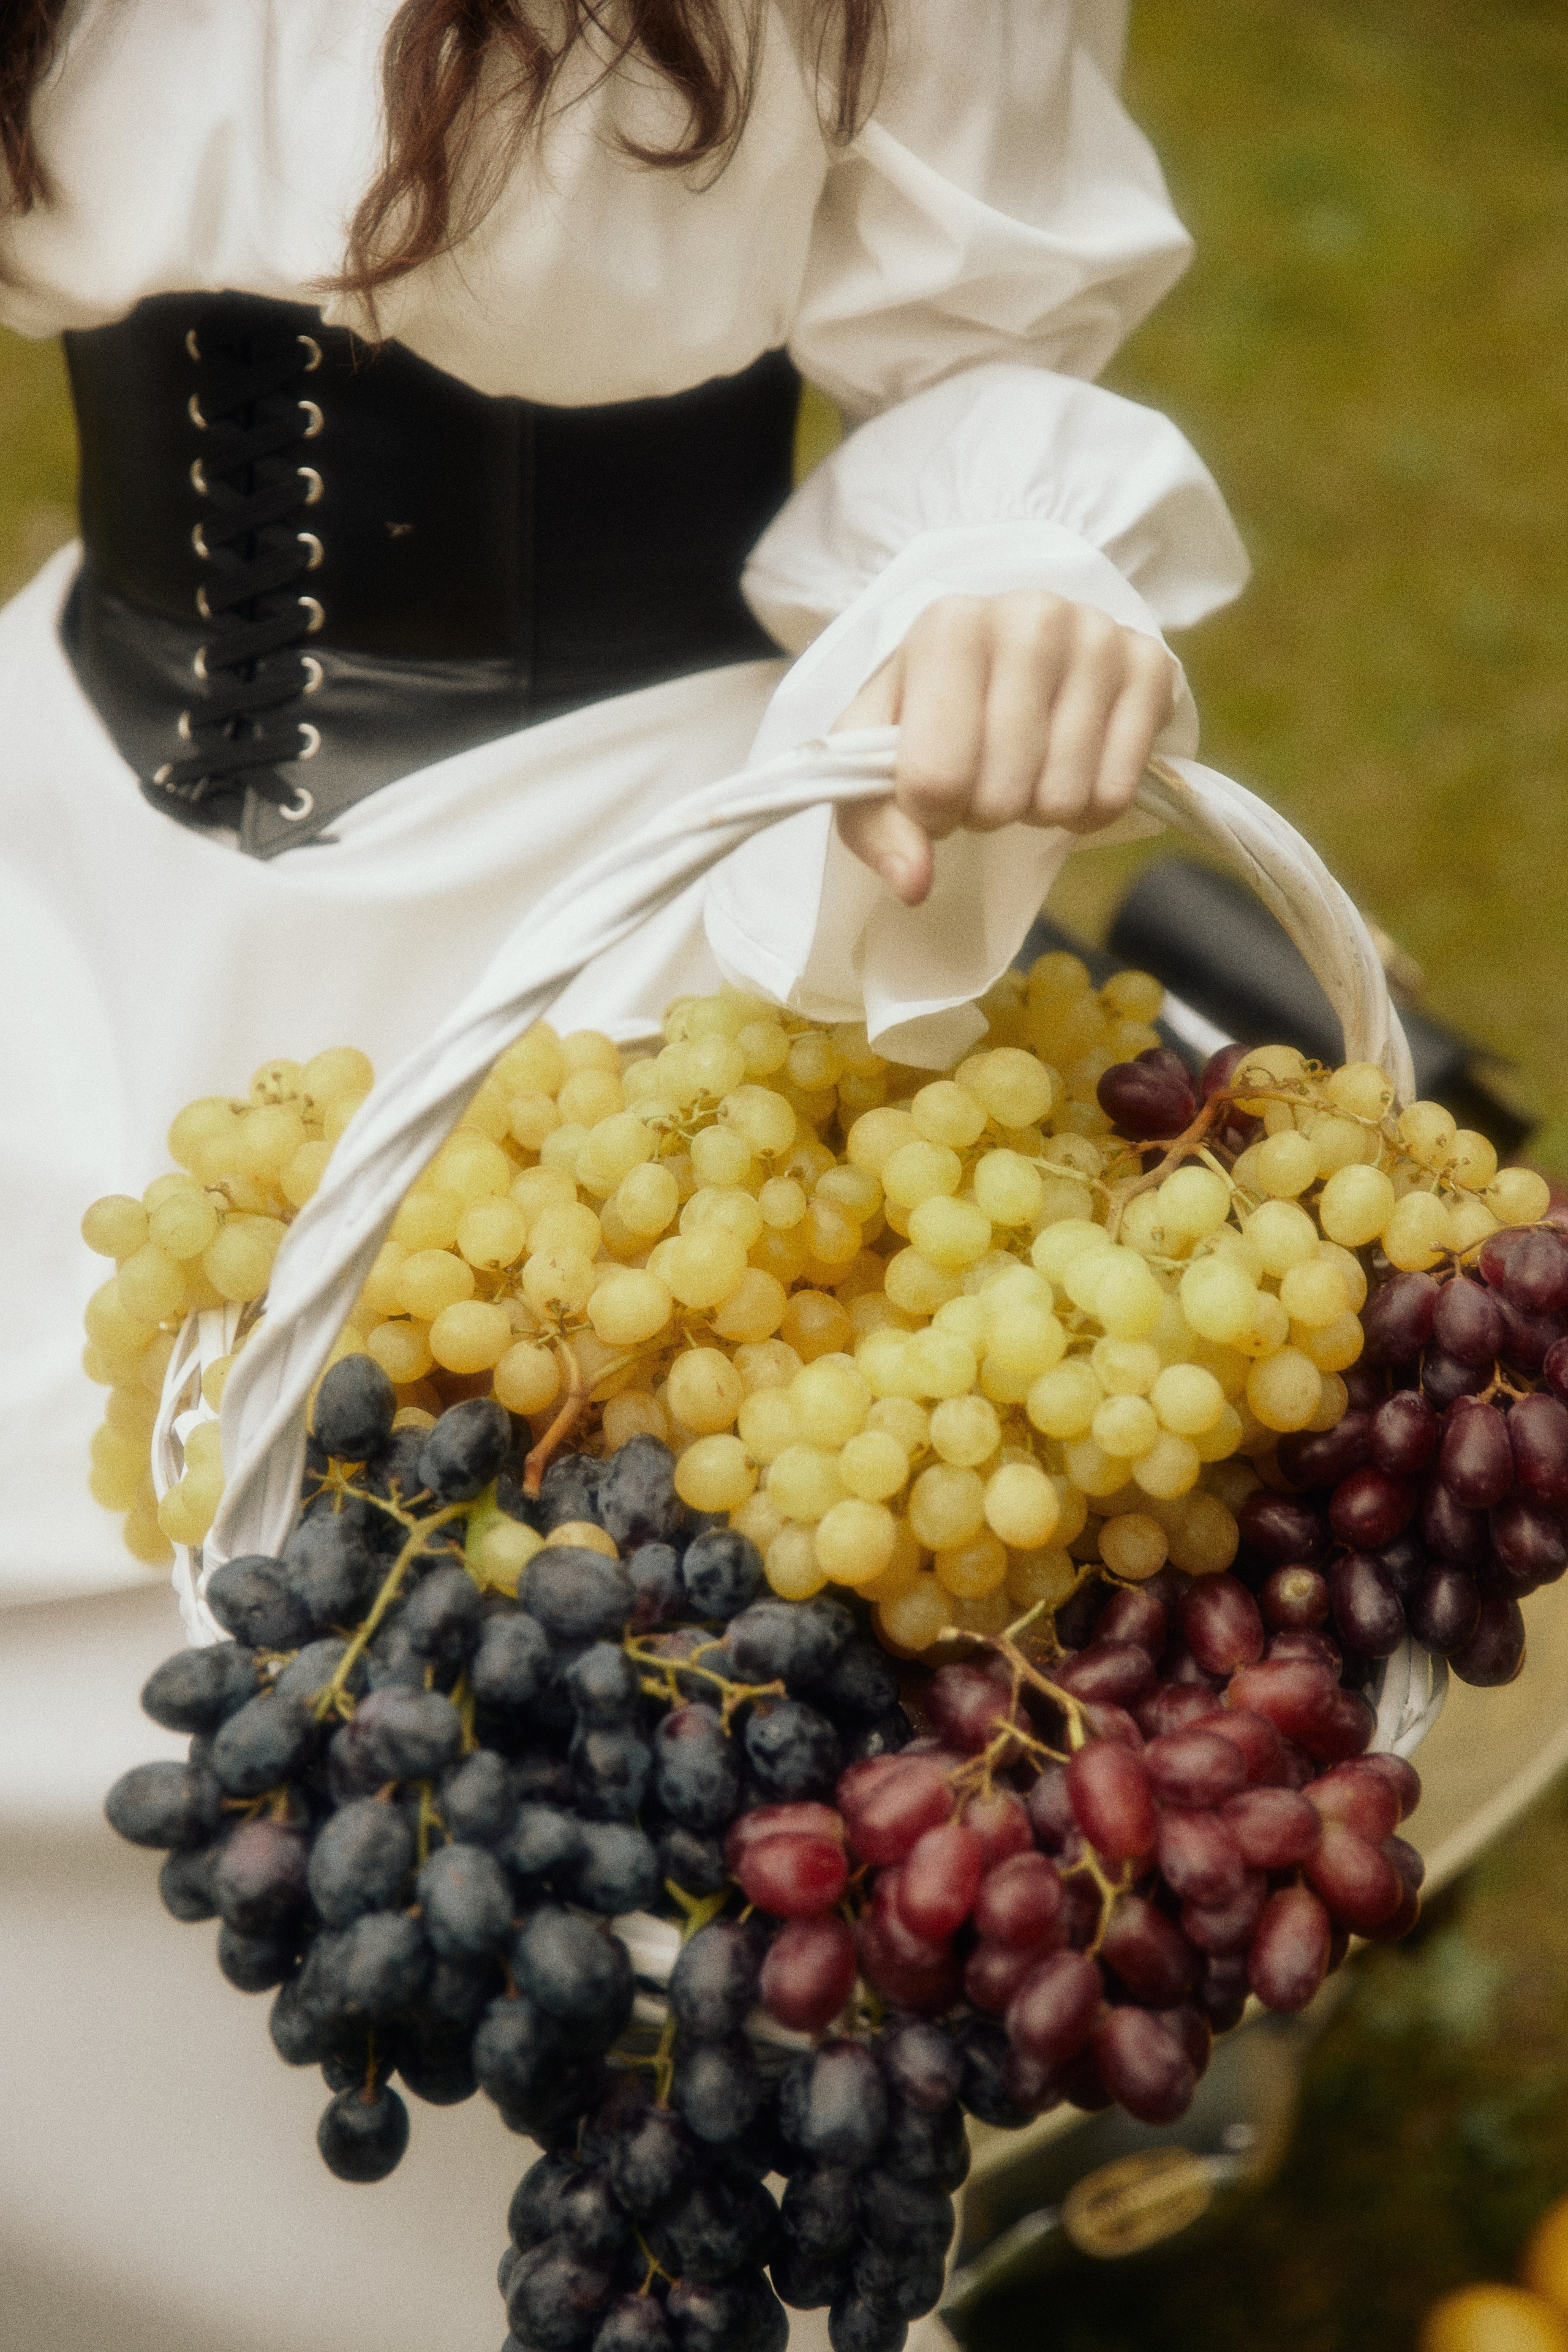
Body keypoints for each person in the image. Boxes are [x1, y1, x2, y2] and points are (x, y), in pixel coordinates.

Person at [0, 5, 1248, 2347]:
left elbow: (984, 348)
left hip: (594, 911)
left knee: (485, 1678)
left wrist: (1002, 569)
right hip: (67, 827)